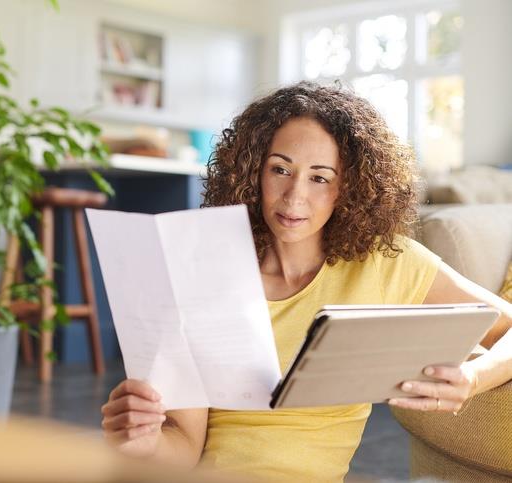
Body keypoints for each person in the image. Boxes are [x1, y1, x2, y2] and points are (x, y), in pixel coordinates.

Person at [100, 81, 512, 481]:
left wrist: (474, 379)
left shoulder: (387, 263)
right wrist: (145, 441)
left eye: (320, 177)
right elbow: (184, 449)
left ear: (348, 187)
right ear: (251, 172)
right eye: (280, 169)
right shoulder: (201, 274)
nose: (294, 196)